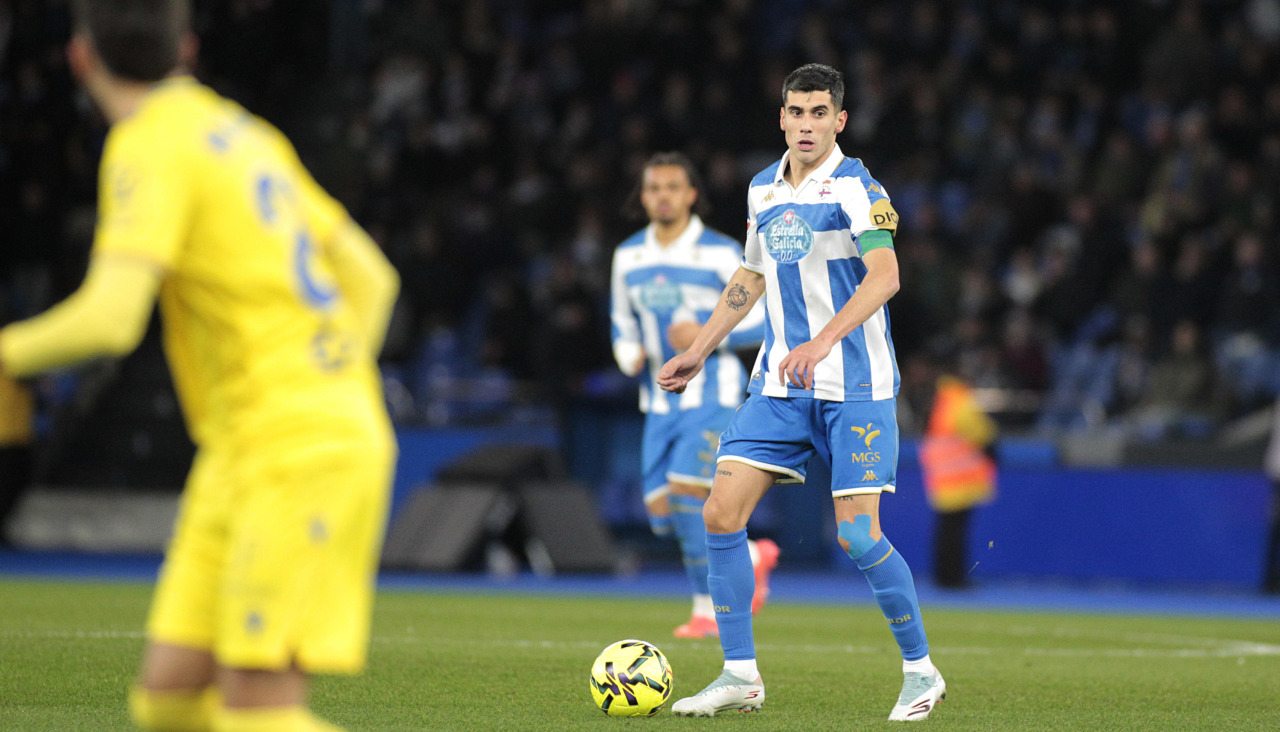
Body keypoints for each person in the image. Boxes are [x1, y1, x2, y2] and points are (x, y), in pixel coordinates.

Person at [0, 2, 400, 730]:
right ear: (183, 48)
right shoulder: (245, 135)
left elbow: (112, 319)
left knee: (256, 711)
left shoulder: (149, 142)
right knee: (170, 703)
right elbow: (371, 279)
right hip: (243, 449)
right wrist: (335, 380)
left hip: (294, 444)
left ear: (80, 57)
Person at [658, 63, 944, 721]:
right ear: (782, 117)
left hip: (856, 384)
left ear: (839, 120)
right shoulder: (762, 188)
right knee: (720, 513)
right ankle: (739, 674)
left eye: (820, 113)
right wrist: (700, 349)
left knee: (859, 538)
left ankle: (921, 672)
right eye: (796, 112)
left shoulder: (857, 188)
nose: (807, 124)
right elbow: (751, 275)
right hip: (780, 385)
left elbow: (886, 276)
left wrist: (822, 342)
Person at [609, 152, 777, 640]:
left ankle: (707, 607)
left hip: (713, 394)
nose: (663, 196)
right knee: (663, 516)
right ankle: (750, 555)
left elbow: (766, 321)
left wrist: (705, 334)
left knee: (688, 494)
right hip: (659, 401)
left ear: (691, 195)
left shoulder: (721, 253)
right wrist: (628, 354)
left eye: (672, 187)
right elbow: (621, 322)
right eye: (653, 188)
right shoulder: (628, 257)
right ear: (643, 197)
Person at [918, 363, 997, 589]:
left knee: (945, 530)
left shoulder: (941, 399)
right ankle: (954, 579)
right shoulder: (960, 400)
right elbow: (982, 432)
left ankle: (943, 576)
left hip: (942, 475)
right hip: (960, 479)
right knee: (956, 532)